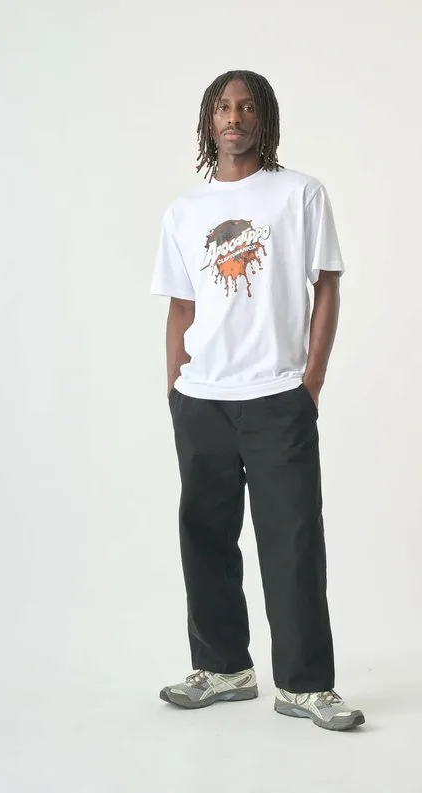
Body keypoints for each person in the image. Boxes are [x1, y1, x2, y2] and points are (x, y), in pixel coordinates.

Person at [150, 69, 365, 731]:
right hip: (202, 399)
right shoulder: (184, 211)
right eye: (223, 106)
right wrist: (175, 389)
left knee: (293, 542)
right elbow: (181, 307)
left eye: (246, 107)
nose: (234, 117)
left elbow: (326, 285)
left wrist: (311, 382)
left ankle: (306, 685)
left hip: (277, 396)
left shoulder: (299, 194)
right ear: (208, 120)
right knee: (205, 537)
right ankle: (223, 669)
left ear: (263, 118)